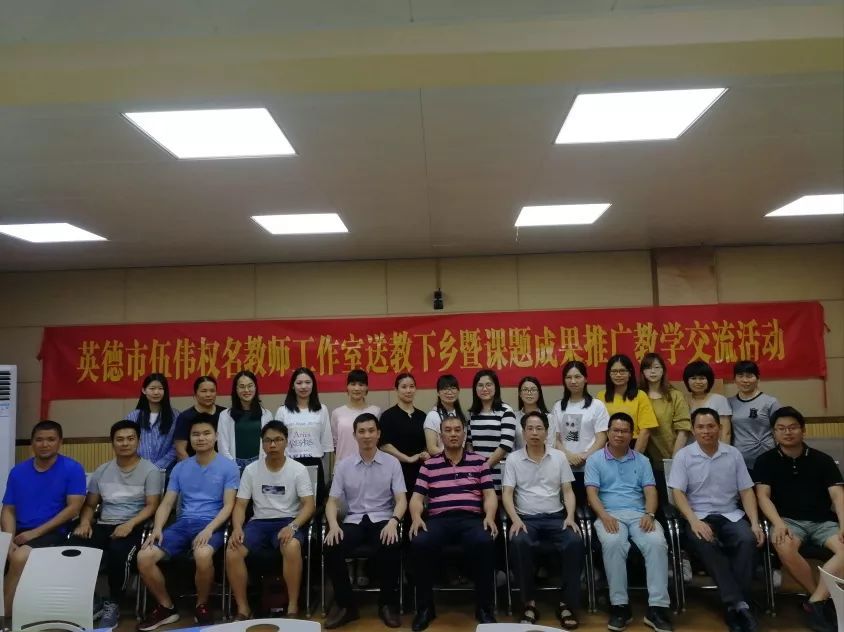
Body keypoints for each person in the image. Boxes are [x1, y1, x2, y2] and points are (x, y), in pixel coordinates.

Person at [136, 414, 240, 630]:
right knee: (144, 557)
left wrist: (209, 529)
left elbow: (229, 505)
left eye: (206, 433)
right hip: (183, 524)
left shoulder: (229, 467)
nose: (201, 438)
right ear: (190, 439)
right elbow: (167, 503)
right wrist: (157, 528)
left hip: (213, 524)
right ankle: (166, 607)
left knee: (202, 554)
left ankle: (202, 605)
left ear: (216, 436)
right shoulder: (180, 467)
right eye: (195, 434)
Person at [669, 407, 764, 632]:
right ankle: (739, 604)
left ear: (719, 428)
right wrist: (693, 521)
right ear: (693, 430)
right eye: (700, 427)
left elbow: (746, 491)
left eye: (711, 426)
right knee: (706, 541)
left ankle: (734, 605)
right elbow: (678, 493)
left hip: (730, 514)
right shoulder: (684, 456)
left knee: (747, 539)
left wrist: (754, 523)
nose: (706, 431)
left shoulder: (733, 454)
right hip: (698, 516)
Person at [754, 406, 844, 632]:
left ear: (803, 430)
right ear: (774, 432)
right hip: (788, 521)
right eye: (781, 428)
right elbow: (763, 497)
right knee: (783, 544)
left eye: (793, 427)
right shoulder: (765, 461)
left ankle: (816, 602)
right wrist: (778, 523)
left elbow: (838, 496)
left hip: (823, 522)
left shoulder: (822, 460)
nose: (787, 432)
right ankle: (820, 599)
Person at [70, 420, 163, 629]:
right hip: (104, 523)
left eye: (130, 439)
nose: (125, 443)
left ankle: (113, 602)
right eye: (120, 439)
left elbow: (152, 505)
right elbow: (90, 504)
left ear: (138, 441)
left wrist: (130, 524)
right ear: (112, 442)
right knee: (75, 546)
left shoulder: (150, 471)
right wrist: (84, 522)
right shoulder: (102, 470)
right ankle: (92, 600)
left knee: (119, 552)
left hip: (135, 525)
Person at [585, 412, 674, 632]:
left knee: (656, 543)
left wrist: (650, 514)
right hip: (609, 514)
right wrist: (604, 516)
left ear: (631, 434)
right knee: (613, 543)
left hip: (639, 514)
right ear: (608, 432)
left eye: (624, 431)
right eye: (615, 430)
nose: (619, 435)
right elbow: (592, 494)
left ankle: (657, 608)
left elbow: (650, 491)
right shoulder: (595, 460)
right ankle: (620, 606)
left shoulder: (642, 460)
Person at [409, 415, 499, 631]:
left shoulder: (479, 462)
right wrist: (416, 518)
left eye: (457, 430)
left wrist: (489, 516)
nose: (453, 434)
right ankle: (425, 608)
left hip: (471, 519)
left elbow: (489, 495)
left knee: (485, 542)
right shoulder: (429, 465)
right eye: (448, 430)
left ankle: (484, 608)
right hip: (439, 520)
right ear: (441, 436)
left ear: (464, 434)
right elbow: (417, 498)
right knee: (420, 543)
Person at [323, 413, 407, 629]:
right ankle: (346, 606)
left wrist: (394, 522)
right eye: (361, 431)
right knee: (331, 546)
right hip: (354, 520)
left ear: (378, 434)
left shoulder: (392, 463)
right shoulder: (344, 465)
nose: (367, 435)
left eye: (371, 431)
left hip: (383, 519)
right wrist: (333, 525)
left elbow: (401, 499)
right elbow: (332, 501)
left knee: (391, 543)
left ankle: (387, 604)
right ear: (354, 435)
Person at [227, 420, 315, 620]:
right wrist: (237, 528)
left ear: (286, 442)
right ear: (262, 443)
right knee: (233, 551)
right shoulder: (251, 470)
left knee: (291, 546)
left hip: (287, 520)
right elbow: (240, 505)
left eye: (278, 440)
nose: (273, 445)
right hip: (258, 523)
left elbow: (309, 505)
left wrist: (293, 526)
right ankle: (243, 608)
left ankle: (292, 606)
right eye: (268, 441)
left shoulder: (298, 470)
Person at [502, 410, 583, 628]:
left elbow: (568, 491)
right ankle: (529, 603)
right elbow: (507, 494)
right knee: (519, 542)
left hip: (556, 517)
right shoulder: (513, 459)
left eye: (539, 428)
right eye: (530, 428)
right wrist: (515, 519)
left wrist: (570, 516)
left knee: (574, 541)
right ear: (523, 432)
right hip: (526, 519)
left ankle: (566, 603)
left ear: (547, 432)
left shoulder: (559, 457)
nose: (534, 433)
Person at [2, 420, 86, 614]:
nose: (44, 444)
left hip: (53, 532)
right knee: (8, 551)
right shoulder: (18, 472)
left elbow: (74, 508)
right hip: (19, 532)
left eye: (50, 439)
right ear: (32, 443)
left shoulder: (73, 468)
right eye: (39, 440)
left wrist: (34, 533)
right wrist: (8, 540)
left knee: (20, 556)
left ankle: (4, 614)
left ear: (60, 442)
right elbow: (8, 510)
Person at [550, 360, 610, 504]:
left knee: (590, 505)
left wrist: (584, 456)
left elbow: (602, 437)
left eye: (577, 377)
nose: (573, 381)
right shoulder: (558, 406)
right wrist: (568, 455)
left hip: (591, 467)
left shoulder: (597, 405)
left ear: (585, 379)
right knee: (568, 506)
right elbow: (554, 438)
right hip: (565, 468)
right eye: (569, 377)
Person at [275, 367, 333, 505]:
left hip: (315, 463)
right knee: (291, 504)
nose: (303, 386)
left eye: (307, 382)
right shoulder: (283, 411)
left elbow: (326, 445)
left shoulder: (322, 409)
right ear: (293, 386)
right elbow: (276, 442)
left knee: (315, 504)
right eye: (299, 383)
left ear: (313, 385)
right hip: (290, 464)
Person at [639, 352, 692, 476]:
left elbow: (683, 429)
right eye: (648, 368)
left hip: (671, 457)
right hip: (644, 460)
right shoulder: (638, 395)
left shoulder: (675, 395)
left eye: (657, 367)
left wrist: (674, 459)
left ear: (663, 370)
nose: (653, 371)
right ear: (642, 372)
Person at [378, 372, 430, 494]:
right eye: (404, 387)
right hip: (395, 470)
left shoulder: (422, 416)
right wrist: (407, 459)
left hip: (419, 471)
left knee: (417, 503)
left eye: (412, 386)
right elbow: (384, 445)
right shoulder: (388, 416)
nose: (408, 390)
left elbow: (427, 442)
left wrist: (425, 453)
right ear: (396, 390)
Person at [597, 354, 658, 453]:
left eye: (622, 371)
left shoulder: (640, 396)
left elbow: (645, 430)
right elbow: (600, 430)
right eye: (614, 371)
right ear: (609, 374)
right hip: (608, 447)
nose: (618, 375)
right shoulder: (601, 396)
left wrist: (635, 456)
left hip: (634, 445)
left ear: (630, 373)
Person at [466, 369, 516, 491]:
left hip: (500, 472)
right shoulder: (472, 414)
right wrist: (475, 467)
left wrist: (484, 468)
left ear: (496, 387)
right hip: (478, 473)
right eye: (480, 385)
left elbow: (505, 445)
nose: (484, 389)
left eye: (488, 384)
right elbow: (469, 443)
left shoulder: (506, 411)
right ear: (475, 389)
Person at [728, 360, 781, 473]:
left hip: (767, 459)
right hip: (739, 460)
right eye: (740, 376)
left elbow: (779, 430)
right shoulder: (729, 403)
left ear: (757, 378)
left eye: (749, 376)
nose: (745, 380)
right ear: (734, 379)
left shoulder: (770, 402)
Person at [217, 370, 273, 470]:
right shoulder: (225, 415)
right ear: (236, 389)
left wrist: (262, 464)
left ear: (255, 387)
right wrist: (232, 466)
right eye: (242, 386)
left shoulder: (266, 414)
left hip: (259, 464)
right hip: (234, 465)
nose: (246, 390)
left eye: (250, 386)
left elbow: (269, 443)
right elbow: (222, 447)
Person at [125, 373, 180, 471]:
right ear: (144, 390)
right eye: (152, 388)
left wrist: (158, 466)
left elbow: (176, 445)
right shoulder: (133, 417)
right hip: (137, 469)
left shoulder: (175, 416)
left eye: (160, 388)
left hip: (166, 470)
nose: (156, 392)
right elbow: (128, 443)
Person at [331, 369, 382, 464]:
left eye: (361, 385)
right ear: (347, 387)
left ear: (366, 388)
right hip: (343, 465)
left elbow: (378, 441)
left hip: (369, 464)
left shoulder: (376, 411)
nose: (357, 388)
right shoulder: (337, 413)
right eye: (353, 384)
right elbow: (334, 444)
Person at [174, 376, 226, 461]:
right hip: (194, 464)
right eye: (203, 391)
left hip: (221, 464)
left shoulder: (224, 414)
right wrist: (192, 467)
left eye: (212, 391)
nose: (208, 395)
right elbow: (180, 451)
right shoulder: (185, 417)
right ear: (195, 394)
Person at [682, 360, 732, 443]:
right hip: (689, 448)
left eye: (702, 378)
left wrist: (724, 450)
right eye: (693, 378)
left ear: (709, 380)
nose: (698, 382)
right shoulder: (682, 400)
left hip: (714, 448)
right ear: (687, 381)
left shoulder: (719, 400)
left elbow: (725, 432)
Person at [422, 373, 467, 457]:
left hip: (461, 462)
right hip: (441, 462)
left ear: (458, 391)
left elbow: (463, 445)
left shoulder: (461, 416)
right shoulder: (432, 416)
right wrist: (454, 455)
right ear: (438, 393)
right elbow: (432, 449)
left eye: (453, 388)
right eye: (445, 388)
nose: (449, 392)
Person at [514, 376, 551, 451]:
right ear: (520, 394)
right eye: (525, 390)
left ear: (539, 393)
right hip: (518, 457)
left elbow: (551, 444)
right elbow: (512, 445)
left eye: (533, 390)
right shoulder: (513, 417)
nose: (529, 393)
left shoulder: (549, 417)